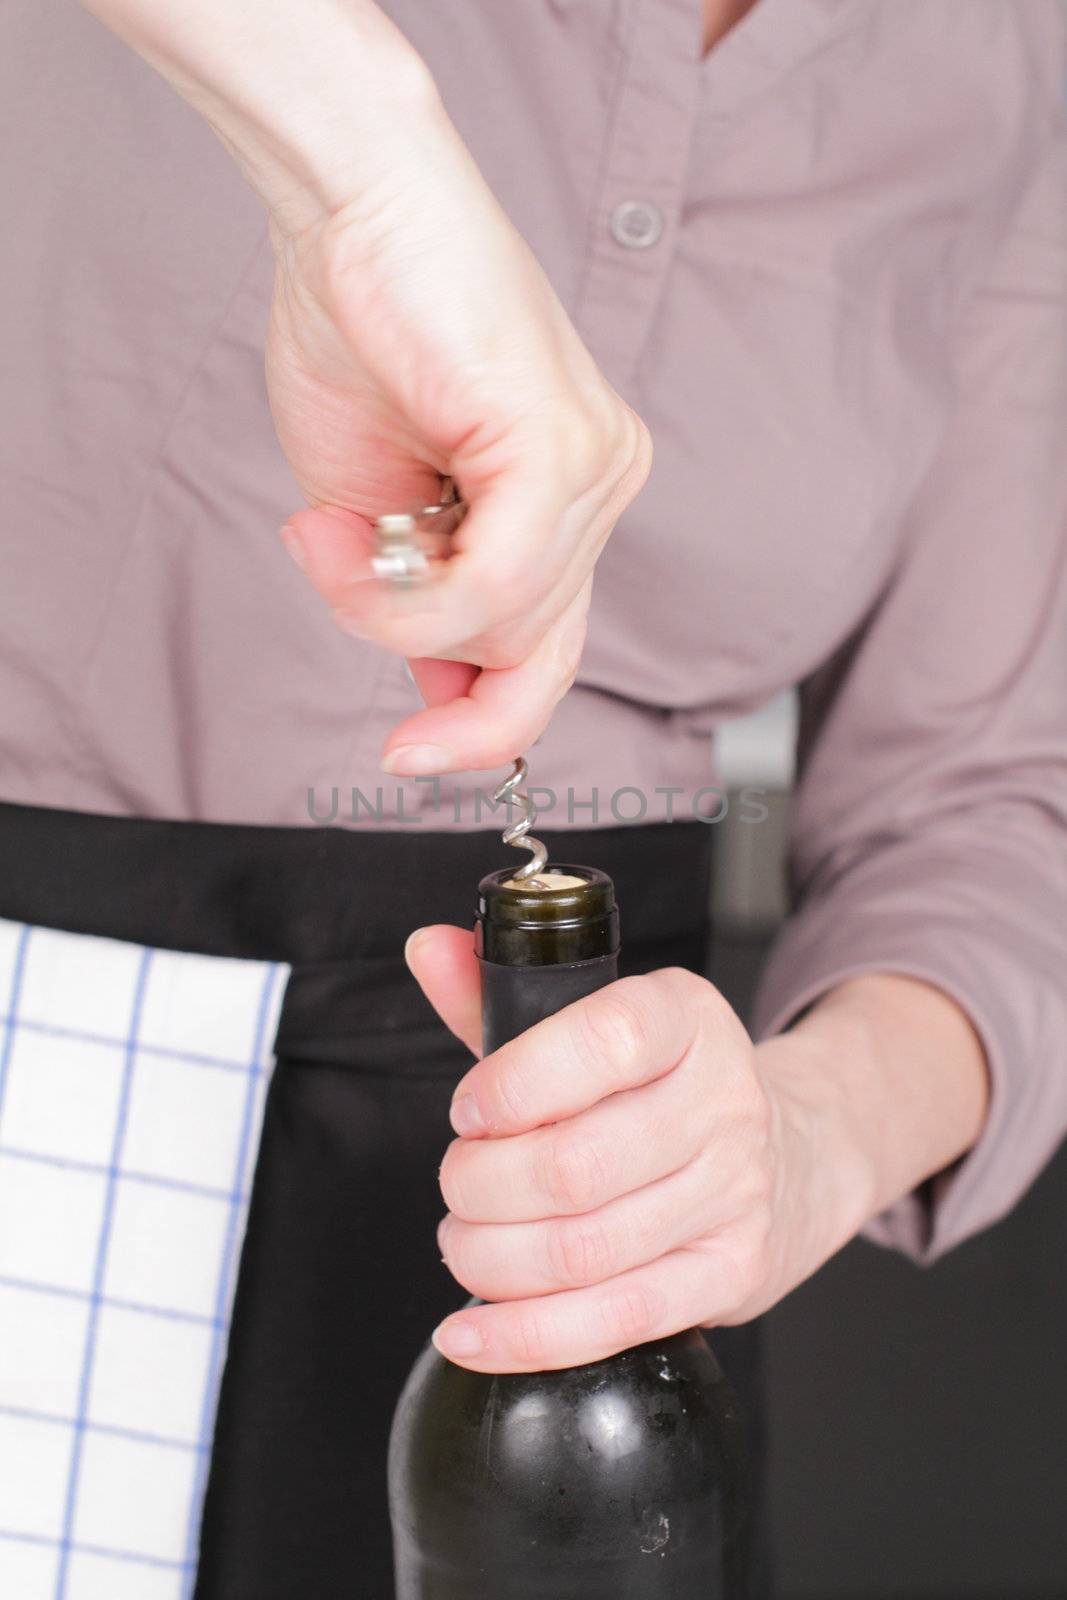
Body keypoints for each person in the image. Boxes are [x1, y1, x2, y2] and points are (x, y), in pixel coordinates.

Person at [0, 0, 1064, 1595]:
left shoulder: (1008, 51)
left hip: (631, 1261)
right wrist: (368, 163)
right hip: (55, 1113)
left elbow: (993, 805)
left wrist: (798, 1136)